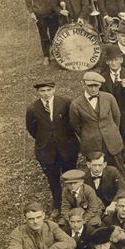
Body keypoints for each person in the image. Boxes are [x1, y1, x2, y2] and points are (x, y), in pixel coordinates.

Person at [26, 81, 80, 214]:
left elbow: (72, 123)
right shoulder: (32, 108)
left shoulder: (65, 103)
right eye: (42, 91)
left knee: (71, 177)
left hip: (67, 148)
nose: (46, 93)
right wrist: (46, 140)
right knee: (53, 179)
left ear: (54, 90)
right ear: (38, 92)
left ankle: (74, 202)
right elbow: (32, 129)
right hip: (47, 151)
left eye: (48, 90)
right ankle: (58, 204)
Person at [69, 72, 125, 169]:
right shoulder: (76, 104)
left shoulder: (109, 98)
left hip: (112, 140)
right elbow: (75, 125)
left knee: (118, 168)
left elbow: (117, 117)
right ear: (83, 85)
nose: (94, 89)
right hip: (92, 143)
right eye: (90, 86)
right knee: (97, 170)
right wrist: (89, 133)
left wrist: (112, 131)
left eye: (96, 86)